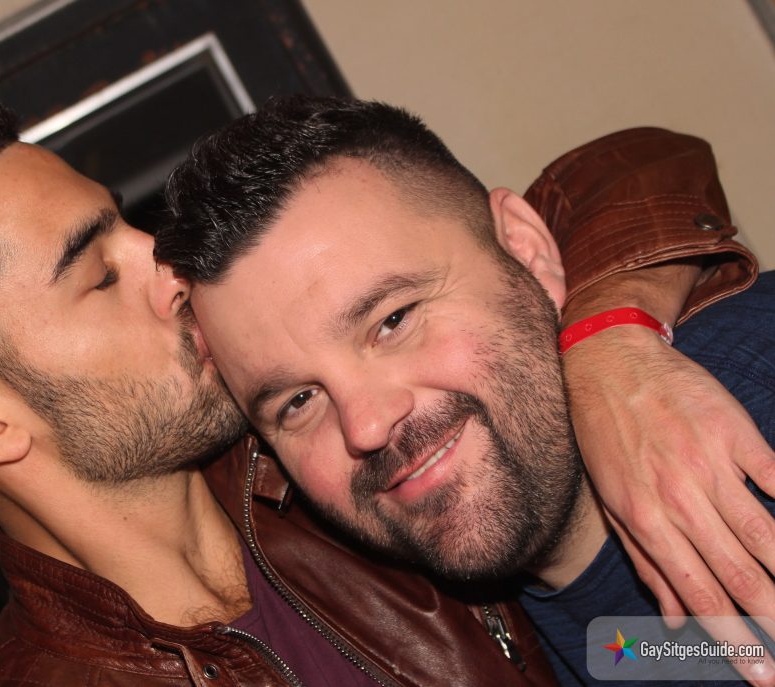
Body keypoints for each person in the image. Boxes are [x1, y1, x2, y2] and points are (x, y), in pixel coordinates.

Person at [0, 93, 757, 686]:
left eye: (127, 224)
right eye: (97, 271)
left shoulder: (314, 462)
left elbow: (618, 173)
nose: (168, 265)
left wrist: (606, 343)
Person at [156, 95, 774, 685]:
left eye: (393, 320)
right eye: (298, 401)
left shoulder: (752, 393)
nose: (365, 425)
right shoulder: (497, 629)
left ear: (526, 251)